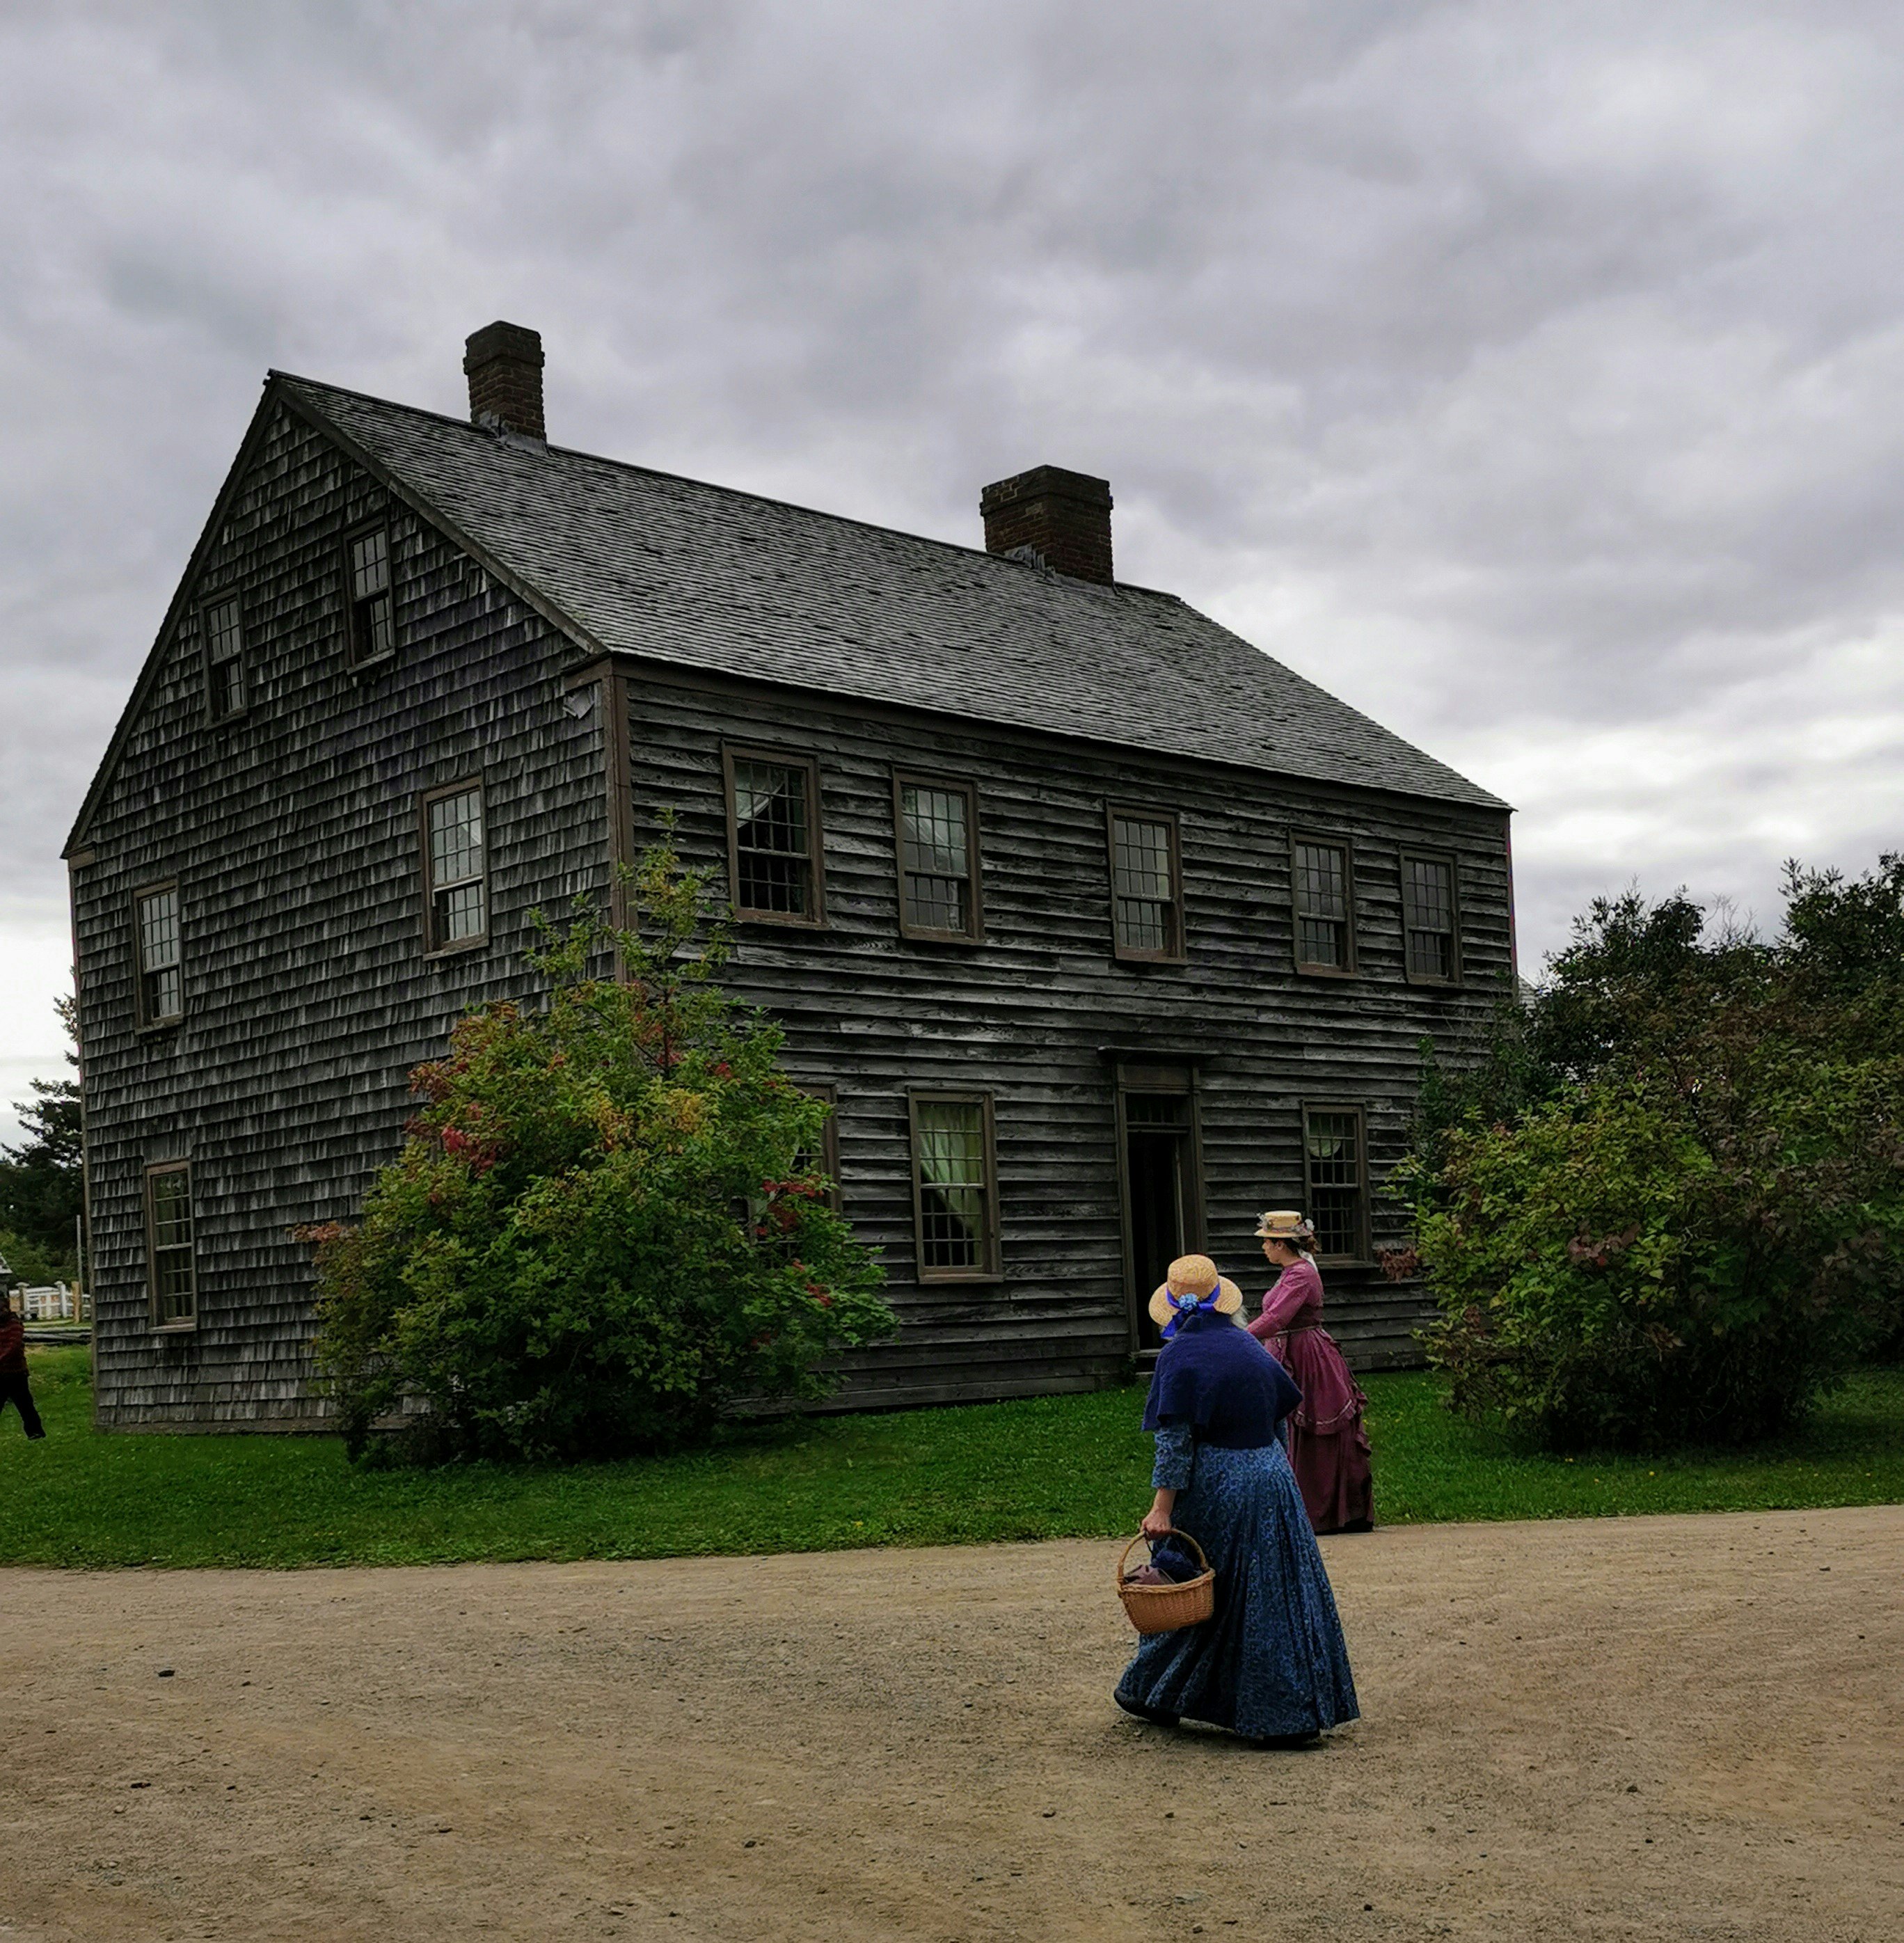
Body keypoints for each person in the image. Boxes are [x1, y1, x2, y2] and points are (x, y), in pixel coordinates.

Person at [1114, 1254, 1358, 1749]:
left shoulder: (1177, 1357)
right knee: (1275, 1593)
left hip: (1219, 1481)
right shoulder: (1254, 1351)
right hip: (1272, 1478)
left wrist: (1162, 1507)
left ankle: (1155, 1691)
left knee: (1192, 1582)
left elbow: (1176, 1443)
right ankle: (1291, 1711)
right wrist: (1278, 1479)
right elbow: (1279, 1420)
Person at [1248, 1210, 1373, 1534]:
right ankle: (1296, 1509)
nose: (1263, 1248)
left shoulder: (1300, 1275)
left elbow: (1277, 1319)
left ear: (1281, 1244)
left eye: (1267, 1242)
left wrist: (1239, 1338)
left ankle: (1321, 1512)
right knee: (1289, 1429)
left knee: (1312, 1428)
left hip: (1306, 1356)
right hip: (1288, 1351)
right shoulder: (1291, 1272)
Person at [0, 1303, 47, 1440]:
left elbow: (13, 1347)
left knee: (25, 1404)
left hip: (16, 1372)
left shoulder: (14, 1325)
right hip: (1, 1373)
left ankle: (35, 1431)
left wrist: (1, 1359)